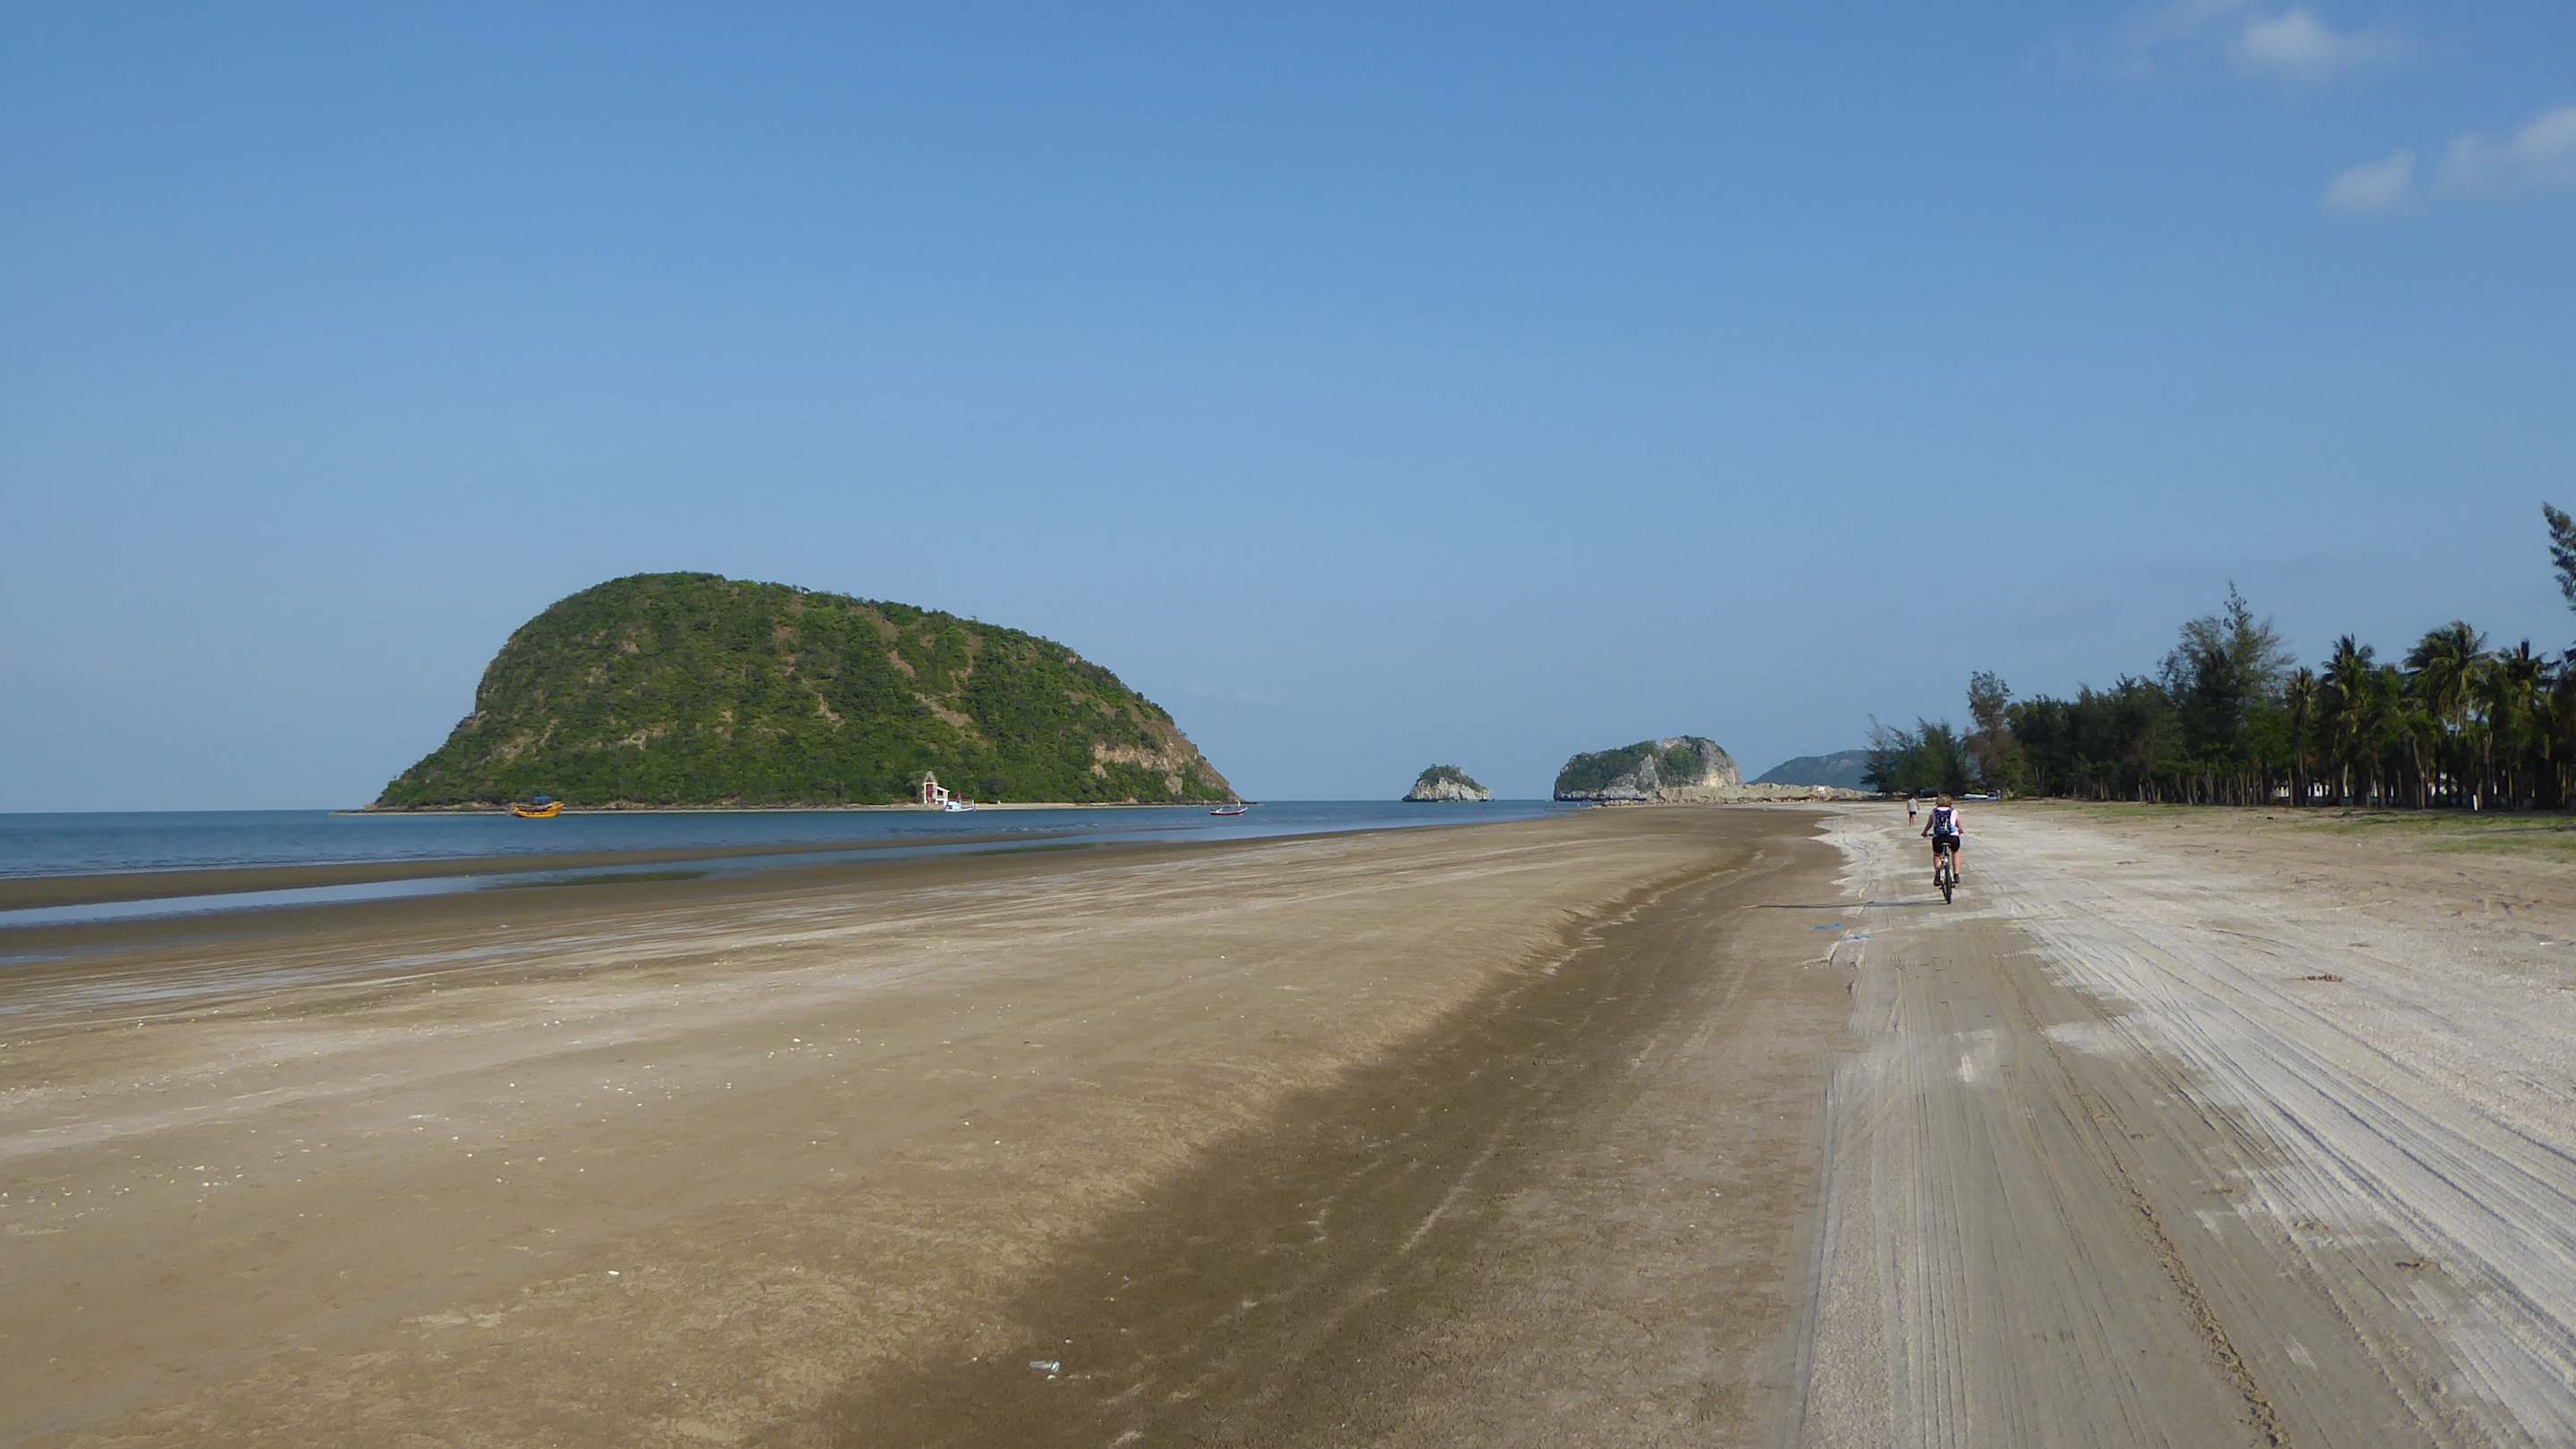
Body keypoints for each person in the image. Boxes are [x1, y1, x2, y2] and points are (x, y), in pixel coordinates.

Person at [1921, 793, 1963, 882]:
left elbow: (1929, 824)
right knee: (1955, 852)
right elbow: (1959, 825)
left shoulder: (1934, 812)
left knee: (1937, 855)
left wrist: (1924, 832)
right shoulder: (1954, 811)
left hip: (1938, 838)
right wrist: (1960, 830)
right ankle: (1956, 875)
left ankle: (1938, 874)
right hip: (1952, 837)